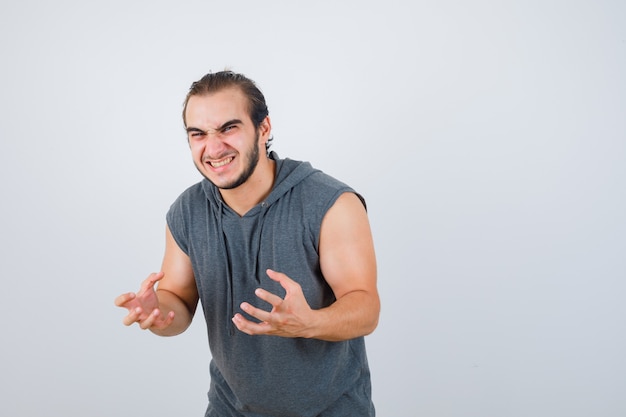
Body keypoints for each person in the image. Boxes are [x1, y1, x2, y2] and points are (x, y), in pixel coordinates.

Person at [115, 70, 380, 417]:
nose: (213, 148)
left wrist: (309, 323)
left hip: (330, 409)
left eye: (229, 128)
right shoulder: (187, 210)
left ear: (264, 128)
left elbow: (365, 308)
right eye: (198, 134)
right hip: (230, 409)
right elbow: (178, 303)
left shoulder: (330, 202)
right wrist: (157, 312)